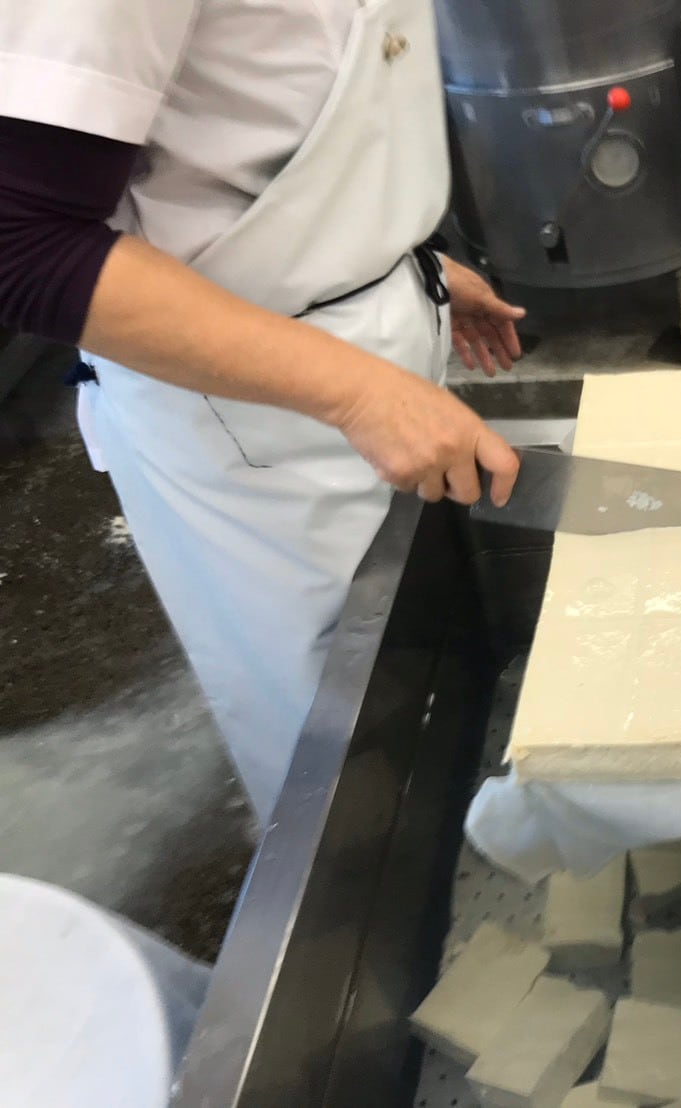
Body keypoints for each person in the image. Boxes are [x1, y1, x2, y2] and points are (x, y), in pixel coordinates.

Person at [0, 1, 524, 819]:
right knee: (342, 743)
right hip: (253, 421)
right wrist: (356, 387)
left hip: (356, 347)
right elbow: (22, 243)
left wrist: (388, 261)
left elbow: (264, 109)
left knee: (421, 677)